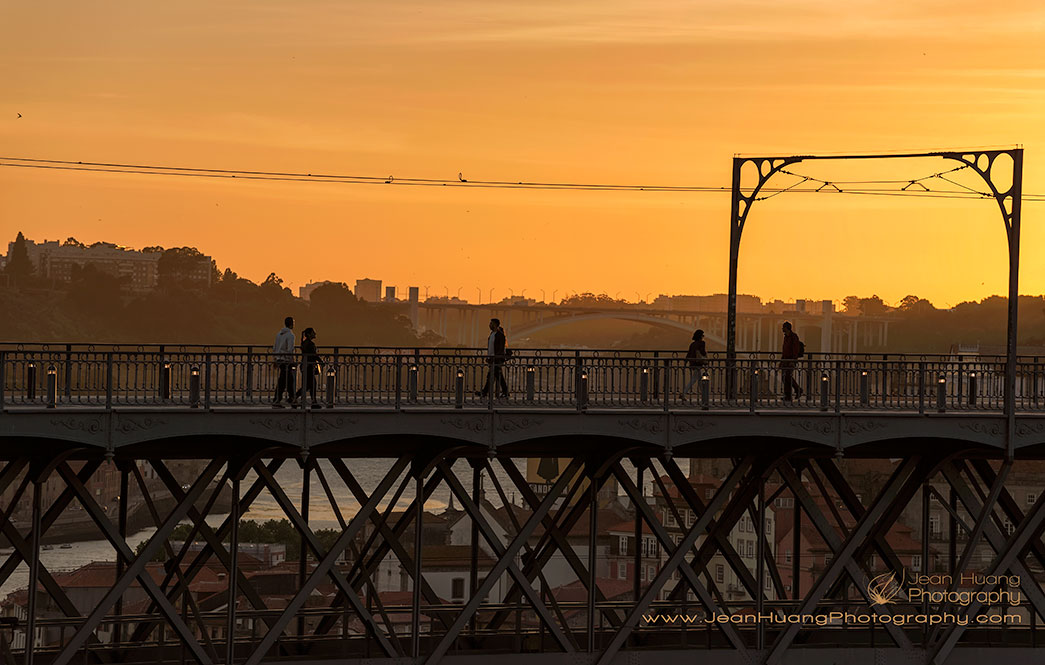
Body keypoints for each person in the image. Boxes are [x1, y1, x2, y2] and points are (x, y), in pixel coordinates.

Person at [476, 318, 509, 399]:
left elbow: (500, 348)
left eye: (491, 323)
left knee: (494, 376)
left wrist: (496, 358)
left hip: (496, 359)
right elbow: (491, 347)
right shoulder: (492, 334)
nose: (489, 325)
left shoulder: (499, 335)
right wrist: (489, 357)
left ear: (495, 324)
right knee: (495, 376)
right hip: (492, 358)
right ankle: (504, 392)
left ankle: (485, 392)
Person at [272, 316, 297, 408]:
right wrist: (292, 361)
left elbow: (274, 348)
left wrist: (275, 359)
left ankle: (291, 399)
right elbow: (290, 349)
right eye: (293, 323)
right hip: (286, 361)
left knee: (286, 380)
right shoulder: (290, 335)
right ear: (291, 324)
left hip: (279, 360)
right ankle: (281, 400)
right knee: (286, 381)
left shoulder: (279, 334)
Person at [298, 327, 323, 408]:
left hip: (304, 366)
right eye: (313, 332)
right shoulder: (310, 344)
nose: (315, 334)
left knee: (309, 385)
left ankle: (295, 398)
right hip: (309, 367)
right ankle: (313, 402)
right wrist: (321, 361)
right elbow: (313, 355)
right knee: (311, 384)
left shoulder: (304, 343)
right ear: (309, 334)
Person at [680, 329, 708, 399]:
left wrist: (685, 363)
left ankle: (703, 395)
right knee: (695, 379)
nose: (703, 336)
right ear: (700, 336)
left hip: (692, 363)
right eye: (703, 335)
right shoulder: (702, 343)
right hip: (698, 363)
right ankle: (684, 393)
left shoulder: (692, 344)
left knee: (697, 379)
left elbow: (689, 354)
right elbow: (703, 352)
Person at [781, 321, 804, 401]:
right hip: (785, 360)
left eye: (783, 327)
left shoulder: (794, 337)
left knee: (788, 376)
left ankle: (798, 389)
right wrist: (781, 361)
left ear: (787, 328)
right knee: (784, 378)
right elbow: (784, 350)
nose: (782, 329)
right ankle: (788, 396)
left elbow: (795, 349)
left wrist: (793, 360)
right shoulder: (786, 337)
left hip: (790, 360)